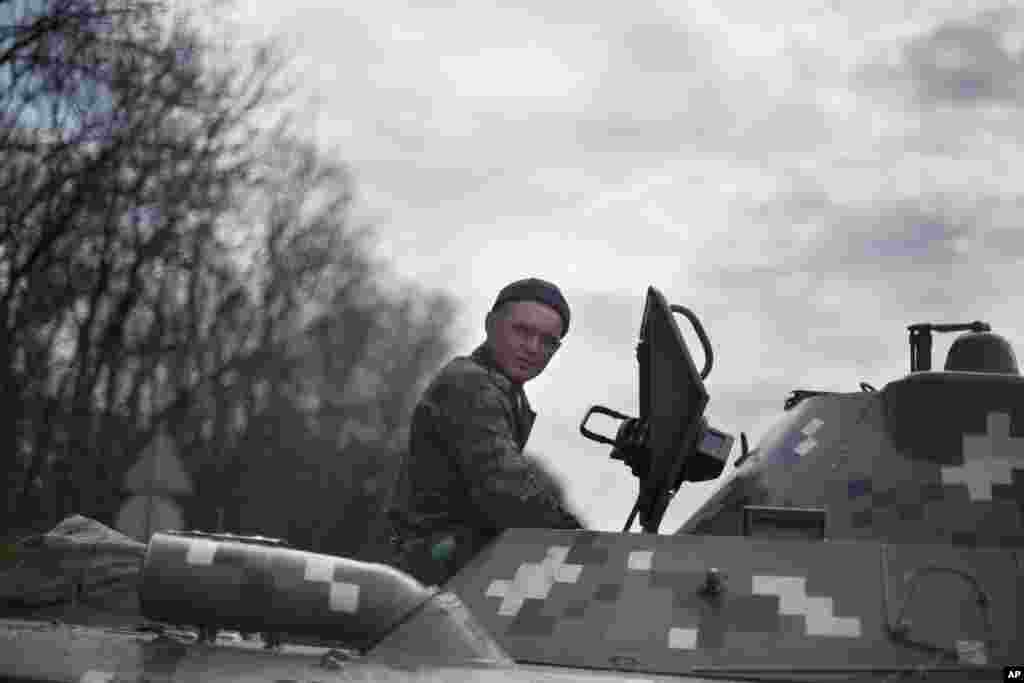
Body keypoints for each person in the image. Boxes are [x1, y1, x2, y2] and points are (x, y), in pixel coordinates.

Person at [388, 278, 584, 586]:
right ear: (492, 325)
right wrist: (585, 543)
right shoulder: (470, 384)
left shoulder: (506, 393)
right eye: (522, 331)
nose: (533, 348)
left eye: (547, 341)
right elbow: (508, 493)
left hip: (454, 560)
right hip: (432, 566)